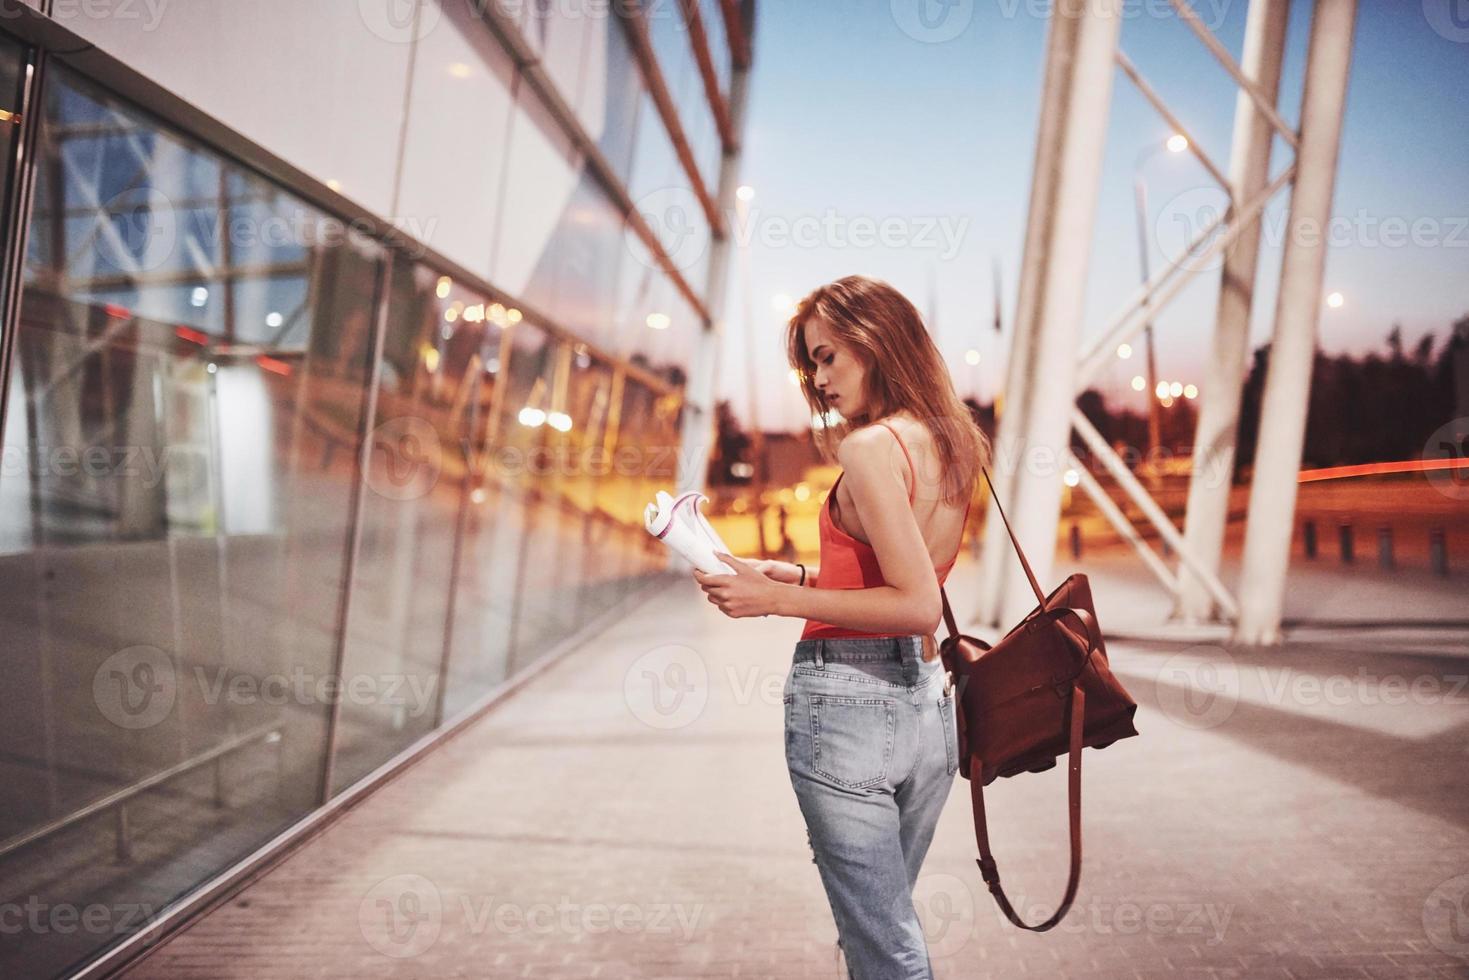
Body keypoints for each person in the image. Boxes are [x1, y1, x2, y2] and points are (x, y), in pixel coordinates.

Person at [693, 275, 991, 979]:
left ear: (876, 339)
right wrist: (793, 577)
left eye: (827, 356)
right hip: (927, 709)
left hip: (848, 708)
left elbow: (915, 601)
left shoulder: (867, 447)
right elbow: (898, 576)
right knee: (881, 927)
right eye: (810, 364)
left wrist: (773, 604)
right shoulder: (955, 441)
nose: (818, 378)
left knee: (884, 945)